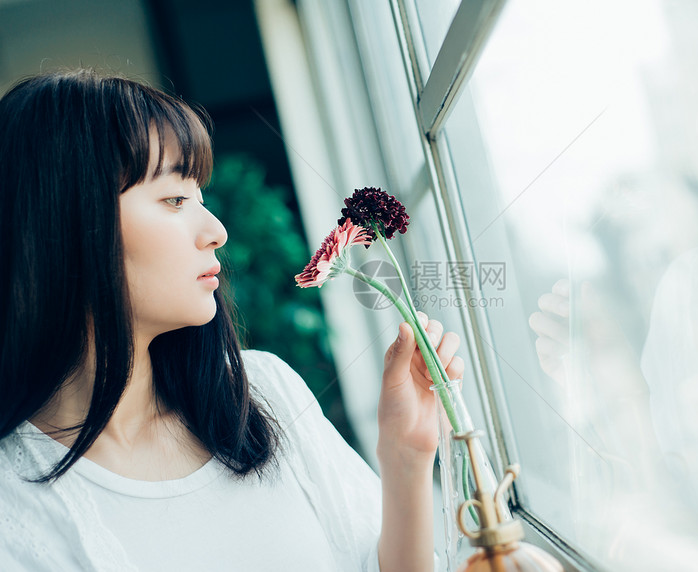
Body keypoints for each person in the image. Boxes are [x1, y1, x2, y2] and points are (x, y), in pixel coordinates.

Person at [0, 69, 462, 571]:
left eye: (201, 198)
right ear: (68, 224)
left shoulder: (263, 392)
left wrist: (406, 458)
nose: (216, 230)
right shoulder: (14, 508)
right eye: (175, 200)